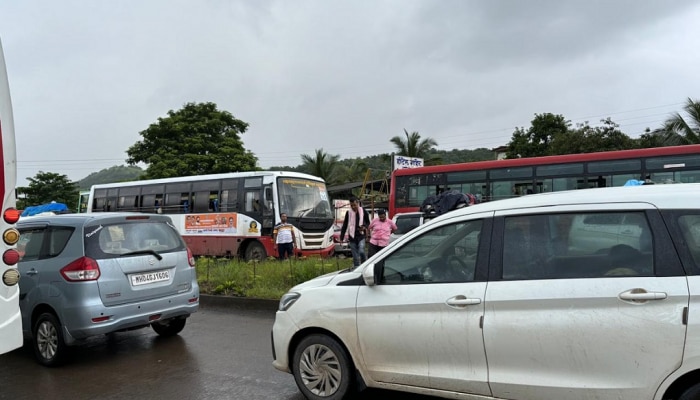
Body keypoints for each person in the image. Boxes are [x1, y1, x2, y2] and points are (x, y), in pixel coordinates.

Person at [340, 196, 370, 266]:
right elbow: (344, 225)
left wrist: (364, 227)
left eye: (354, 205)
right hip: (352, 237)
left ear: (358, 203)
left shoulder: (363, 211)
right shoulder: (348, 213)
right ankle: (356, 270)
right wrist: (341, 237)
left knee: (362, 251)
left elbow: (368, 222)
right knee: (355, 257)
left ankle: (364, 265)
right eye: (351, 205)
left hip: (361, 235)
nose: (353, 207)